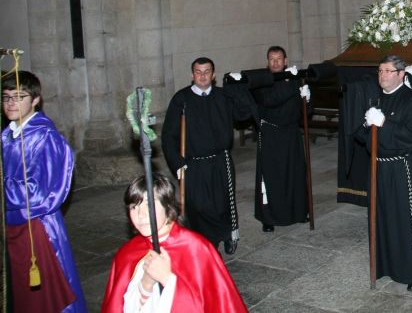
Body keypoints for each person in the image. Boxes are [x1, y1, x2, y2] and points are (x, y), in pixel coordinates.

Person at [2, 70, 87, 313]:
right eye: (6, 97)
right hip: (11, 227)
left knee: (48, 300)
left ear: (36, 99)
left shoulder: (46, 137)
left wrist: (3, 185)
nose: (11, 103)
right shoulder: (8, 135)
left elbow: (43, 192)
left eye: (18, 96)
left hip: (37, 227)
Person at [101, 175, 248, 312]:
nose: (141, 214)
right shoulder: (127, 254)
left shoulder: (197, 249)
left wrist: (168, 279)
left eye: (149, 204)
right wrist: (146, 284)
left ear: (168, 207)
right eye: (134, 207)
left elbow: (210, 306)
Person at [356, 55, 412, 292]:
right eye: (380, 71)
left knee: (405, 219)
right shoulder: (375, 98)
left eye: (388, 71)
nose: (382, 75)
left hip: (402, 169)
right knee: (382, 217)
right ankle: (386, 265)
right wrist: (365, 125)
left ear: (401, 74)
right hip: (378, 167)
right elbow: (363, 138)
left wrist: (383, 125)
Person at [161, 57, 256, 254]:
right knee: (199, 206)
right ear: (191, 74)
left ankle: (228, 234)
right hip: (193, 164)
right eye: (198, 71)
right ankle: (206, 241)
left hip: (221, 161)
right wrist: (177, 163)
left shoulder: (223, 96)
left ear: (213, 75)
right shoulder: (182, 99)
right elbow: (169, 136)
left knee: (223, 204)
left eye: (207, 72)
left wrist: (239, 88)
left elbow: (243, 115)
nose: (202, 75)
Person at [252, 46, 309, 232]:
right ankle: (268, 217)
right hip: (271, 134)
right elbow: (271, 100)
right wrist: (291, 84)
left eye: (279, 59)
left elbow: (305, 113)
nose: (275, 62)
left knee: (294, 173)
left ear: (285, 60)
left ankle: (298, 212)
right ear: (267, 62)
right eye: (271, 59)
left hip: (291, 132)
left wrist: (307, 99)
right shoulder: (262, 82)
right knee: (271, 176)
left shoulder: (295, 80)